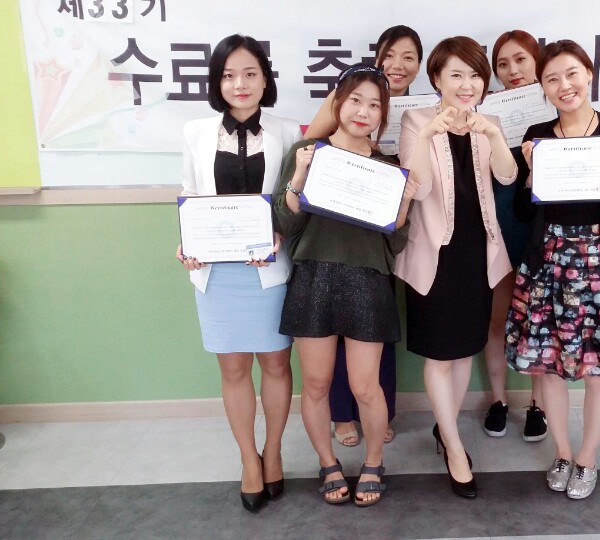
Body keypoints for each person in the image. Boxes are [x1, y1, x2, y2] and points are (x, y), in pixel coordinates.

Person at [506, 39, 600, 500]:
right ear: (543, 88)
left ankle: (587, 458)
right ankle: (563, 453)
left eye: (571, 73)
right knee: (548, 366)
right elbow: (523, 212)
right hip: (547, 259)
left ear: (588, 73)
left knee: (598, 367)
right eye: (552, 79)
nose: (563, 85)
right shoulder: (536, 135)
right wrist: (532, 174)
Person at [274, 64, 417, 506]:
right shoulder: (307, 153)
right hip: (313, 277)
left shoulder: (388, 168)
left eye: (374, 105)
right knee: (316, 385)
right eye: (355, 100)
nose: (363, 111)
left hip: (368, 281)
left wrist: (404, 203)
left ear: (383, 115)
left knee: (366, 387)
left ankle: (374, 462)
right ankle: (328, 463)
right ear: (338, 102)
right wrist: (299, 177)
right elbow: (285, 225)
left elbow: (394, 242)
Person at [176, 34, 301, 514]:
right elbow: (189, 194)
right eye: (228, 75)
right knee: (232, 370)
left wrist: (281, 234)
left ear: (265, 79)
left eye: (250, 73)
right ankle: (249, 459)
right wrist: (187, 243)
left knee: (276, 365)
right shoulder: (195, 132)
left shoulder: (288, 131)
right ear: (216, 82)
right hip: (216, 273)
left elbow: (295, 199)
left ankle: (274, 451)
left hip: (269, 271)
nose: (240, 84)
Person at [395, 36, 517, 499]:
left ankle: (445, 430)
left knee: (465, 351)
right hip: (434, 256)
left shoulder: (491, 123)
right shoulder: (415, 120)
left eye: (475, 75)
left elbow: (507, 175)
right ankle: (453, 446)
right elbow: (419, 187)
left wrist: (492, 134)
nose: (467, 85)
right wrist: (429, 134)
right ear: (437, 80)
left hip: (477, 254)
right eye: (456, 75)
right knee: (439, 355)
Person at [304, 25, 424, 448]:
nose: (398, 64)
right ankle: (342, 415)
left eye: (409, 57)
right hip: (331, 235)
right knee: (331, 344)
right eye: (390, 55)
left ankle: (378, 413)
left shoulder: (423, 112)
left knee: (375, 338)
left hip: (376, 239)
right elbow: (311, 146)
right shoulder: (349, 95)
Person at [480, 30, 546, 441]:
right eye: (502, 64)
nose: (512, 70)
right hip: (499, 228)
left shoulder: (557, 108)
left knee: (539, 321)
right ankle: (499, 400)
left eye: (520, 59)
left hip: (543, 232)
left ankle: (538, 405)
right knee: (497, 318)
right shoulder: (486, 113)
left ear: (537, 61)